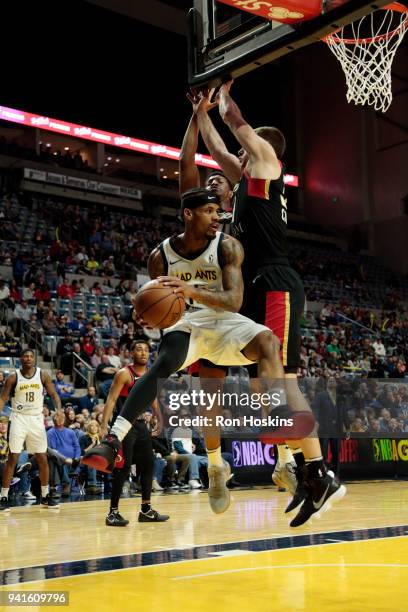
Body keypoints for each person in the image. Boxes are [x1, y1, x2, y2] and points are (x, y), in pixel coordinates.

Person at [83, 188, 306, 515]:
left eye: (220, 211)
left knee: (269, 342)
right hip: (188, 322)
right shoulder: (161, 256)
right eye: (211, 211)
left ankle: (277, 424)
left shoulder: (228, 246)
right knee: (168, 363)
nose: (219, 217)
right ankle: (116, 439)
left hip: (227, 318)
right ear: (189, 214)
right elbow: (158, 300)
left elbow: (234, 301)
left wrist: (191, 289)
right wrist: (145, 311)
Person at [191, 82, 346, 526]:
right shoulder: (245, 185)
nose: (238, 155)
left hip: (276, 280)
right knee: (264, 391)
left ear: (260, 151)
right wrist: (201, 113)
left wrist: (223, 99)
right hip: (259, 287)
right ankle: (303, 469)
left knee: (284, 384)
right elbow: (219, 147)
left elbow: (236, 128)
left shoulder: (266, 163)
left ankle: (319, 472)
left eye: (246, 147)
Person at [100, 339, 169, 525]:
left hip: (141, 426)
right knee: (122, 469)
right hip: (124, 426)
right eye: (139, 349)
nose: (144, 353)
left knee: (148, 464)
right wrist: (104, 425)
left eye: (146, 350)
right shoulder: (124, 374)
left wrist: (160, 419)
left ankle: (146, 510)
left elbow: (153, 400)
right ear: (131, 353)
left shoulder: (149, 375)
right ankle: (112, 513)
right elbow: (112, 400)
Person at [0, 349, 61, 511]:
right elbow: (3, 398)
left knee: (42, 457)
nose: (28, 358)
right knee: (13, 457)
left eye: (31, 356)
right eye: (25, 356)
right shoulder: (13, 377)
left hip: (36, 418)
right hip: (18, 417)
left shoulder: (43, 375)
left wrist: (59, 409)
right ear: (21, 358)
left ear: (34, 359)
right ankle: (3, 496)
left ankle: (46, 496)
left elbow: (54, 394)